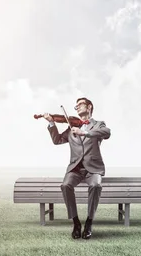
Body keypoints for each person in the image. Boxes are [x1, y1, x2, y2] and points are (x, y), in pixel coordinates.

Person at [42, 97, 111, 239]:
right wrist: (51, 122)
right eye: (76, 106)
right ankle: (76, 222)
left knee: (96, 186)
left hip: (93, 168)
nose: (77, 107)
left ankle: (89, 222)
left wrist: (84, 133)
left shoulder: (98, 125)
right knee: (65, 185)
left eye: (80, 104)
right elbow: (57, 140)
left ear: (89, 106)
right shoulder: (71, 127)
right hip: (75, 168)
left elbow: (107, 132)